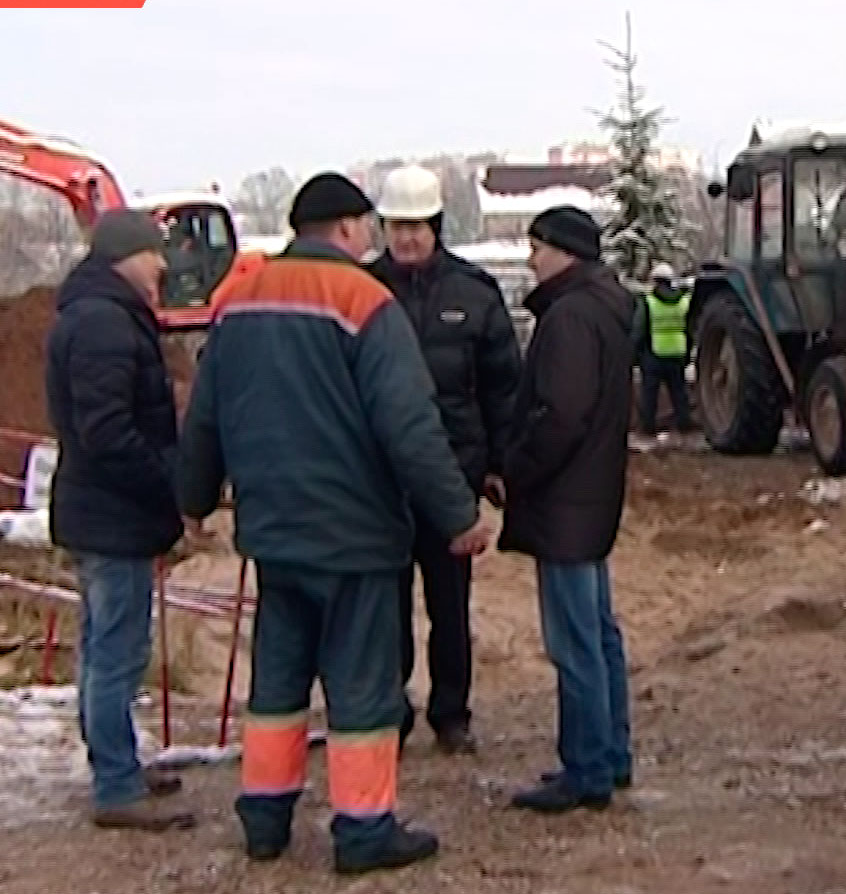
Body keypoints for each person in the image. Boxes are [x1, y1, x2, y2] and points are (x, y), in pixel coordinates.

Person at [178, 171, 495, 876]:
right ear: (350, 230)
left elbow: (204, 419)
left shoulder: (239, 303)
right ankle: (363, 829)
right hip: (355, 538)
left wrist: (193, 500)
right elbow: (409, 428)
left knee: (277, 684)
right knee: (362, 689)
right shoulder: (364, 301)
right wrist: (458, 515)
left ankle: (264, 819)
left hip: (275, 536)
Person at [43, 208, 194, 831]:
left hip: (97, 510)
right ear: (123, 258)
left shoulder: (95, 315)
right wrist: (168, 484)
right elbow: (108, 431)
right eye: (153, 253)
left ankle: (118, 763)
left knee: (103, 647)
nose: (162, 265)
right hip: (113, 515)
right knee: (117, 651)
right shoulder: (107, 324)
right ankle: (114, 784)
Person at [365, 163, 522, 756]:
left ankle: (451, 713)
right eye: (397, 226)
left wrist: (498, 463)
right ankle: (391, 710)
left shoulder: (473, 293)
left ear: (436, 226)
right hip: (381, 479)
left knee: (449, 605)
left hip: (453, 476)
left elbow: (503, 386)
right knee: (386, 603)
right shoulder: (363, 291)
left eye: (417, 227)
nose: (407, 238)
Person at [499, 205, 636, 813]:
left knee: (576, 640)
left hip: (565, 503)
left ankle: (588, 767)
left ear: (566, 252)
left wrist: (517, 469)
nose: (531, 259)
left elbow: (561, 414)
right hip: (589, 498)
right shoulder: (600, 308)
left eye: (538, 247)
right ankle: (610, 753)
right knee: (597, 633)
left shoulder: (571, 318)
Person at [630, 262, 692, 436]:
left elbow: (639, 328)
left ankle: (648, 427)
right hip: (677, 352)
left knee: (650, 393)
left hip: (653, 354)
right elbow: (689, 327)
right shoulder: (684, 301)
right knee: (679, 392)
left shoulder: (648, 301)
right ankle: (684, 424)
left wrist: (633, 352)